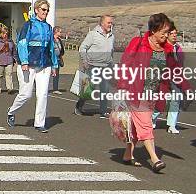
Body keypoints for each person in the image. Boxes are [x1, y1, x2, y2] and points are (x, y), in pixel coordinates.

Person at [117, 13, 185, 173]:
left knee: (135, 126)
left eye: (168, 32)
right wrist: (122, 86)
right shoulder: (138, 43)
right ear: (154, 30)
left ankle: (128, 154)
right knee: (146, 124)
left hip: (153, 94)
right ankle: (154, 159)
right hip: (135, 91)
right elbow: (125, 63)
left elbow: (174, 70)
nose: (166, 35)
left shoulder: (166, 49)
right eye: (164, 31)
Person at [7, 0, 58, 133]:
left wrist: (54, 65)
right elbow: (22, 43)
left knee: (42, 95)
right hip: (28, 65)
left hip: (44, 65)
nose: (45, 12)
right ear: (36, 10)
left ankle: (40, 123)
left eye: (47, 10)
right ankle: (12, 111)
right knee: (26, 94)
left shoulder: (48, 28)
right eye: (43, 10)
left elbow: (51, 47)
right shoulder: (28, 25)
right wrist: (24, 62)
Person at [75, 15, 115, 118]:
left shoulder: (112, 36)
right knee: (89, 89)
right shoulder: (93, 34)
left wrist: (112, 65)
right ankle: (79, 106)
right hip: (93, 66)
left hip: (106, 66)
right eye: (108, 22)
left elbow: (111, 52)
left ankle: (103, 111)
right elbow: (82, 48)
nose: (110, 25)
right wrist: (85, 61)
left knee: (105, 89)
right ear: (102, 23)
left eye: (111, 23)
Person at [165, 22, 184, 134]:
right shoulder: (163, 47)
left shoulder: (178, 48)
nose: (174, 35)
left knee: (176, 100)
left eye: (175, 33)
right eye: (172, 33)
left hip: (176, 77)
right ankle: (152, 119)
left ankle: (172, 125)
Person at [0, 27, 17, 94]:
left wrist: (15, 58)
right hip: (0, 61)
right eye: (3, 33)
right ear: (0, 33)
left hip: (9, 60)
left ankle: (9, 88)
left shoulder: (10, 41)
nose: (5, 35)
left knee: (9, 74)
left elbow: (14, 50)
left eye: (6, 33)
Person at [50, 26, 65, 94]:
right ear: (56, 32)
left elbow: (61, 48)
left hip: (58, 59)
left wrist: (61, 54)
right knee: (48, 73)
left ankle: (55, 89)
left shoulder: (59, 40)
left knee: (56, 74)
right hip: (51, 59)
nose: (61, 33)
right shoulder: (51, 39)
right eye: (60, 32)